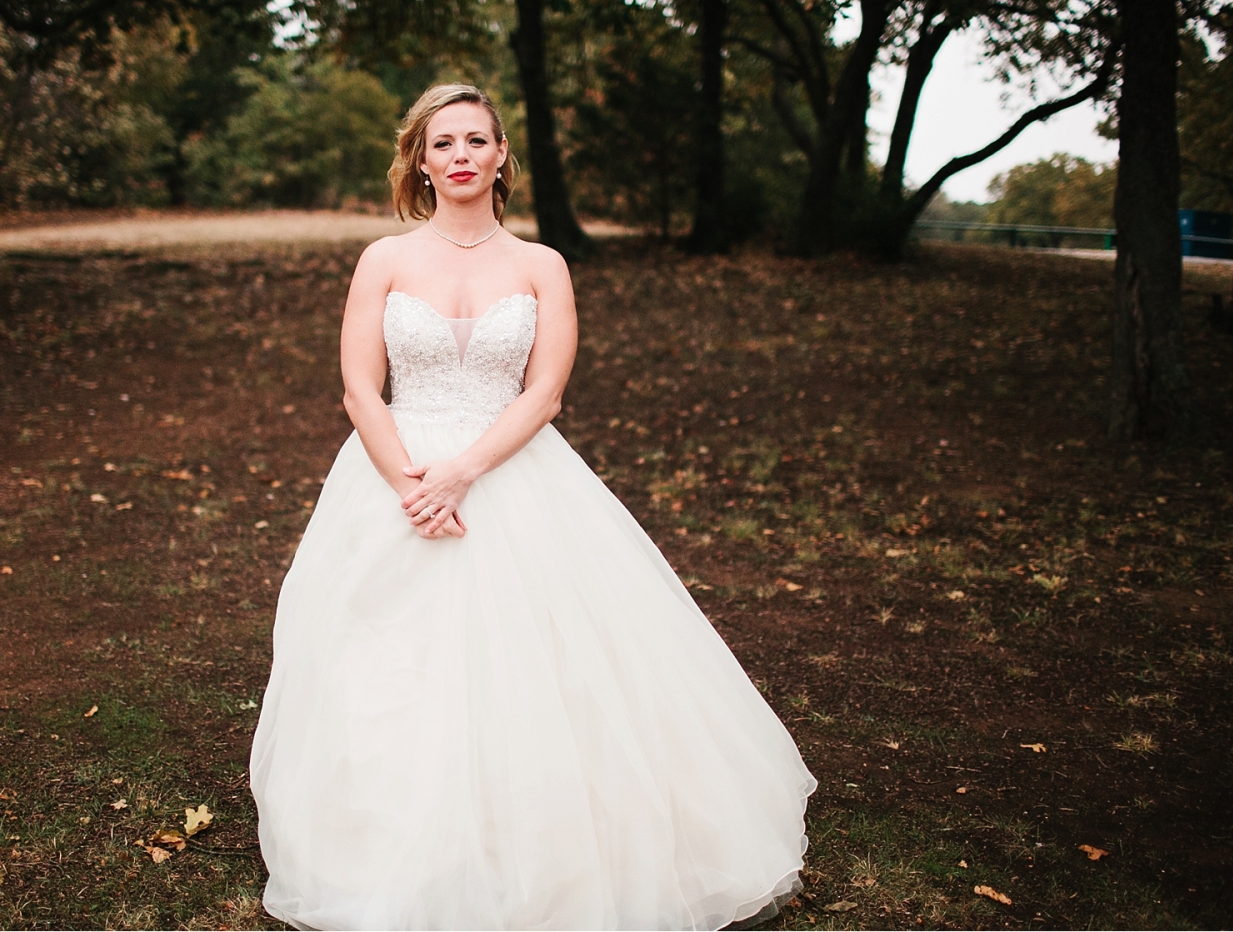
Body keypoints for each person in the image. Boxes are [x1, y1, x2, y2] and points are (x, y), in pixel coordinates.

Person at [249, 83, 815, 931]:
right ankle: (394, 846)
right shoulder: (385, 259)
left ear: (502, 156)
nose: (462, 155)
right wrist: (412, 481)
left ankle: (543, 835)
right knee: (389, 664)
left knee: (544, 663)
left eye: (478, 140)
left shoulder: (542, 265)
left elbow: (545, 393)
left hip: (512, 469)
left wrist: (461, 474)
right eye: (444, 143)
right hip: (393, 477)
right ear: (421, 160)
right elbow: (360, 389)